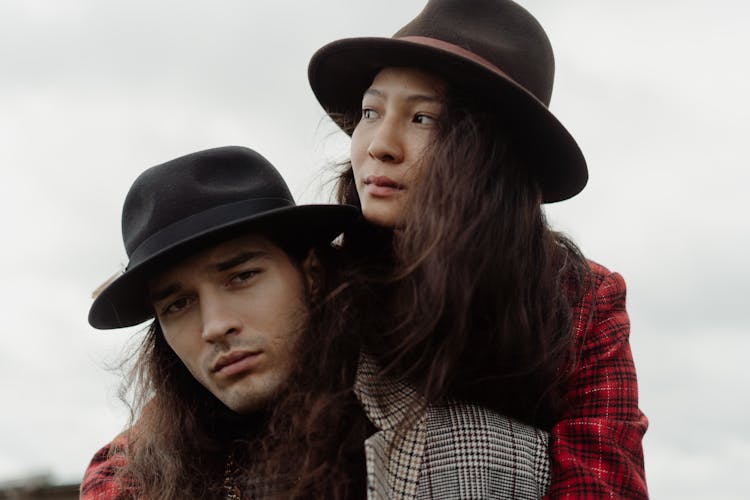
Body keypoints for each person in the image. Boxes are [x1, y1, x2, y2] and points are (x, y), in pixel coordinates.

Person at [308, 0, 649, 498]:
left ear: (493, 153)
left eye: (422, 118)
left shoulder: (581, 299)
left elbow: (603, 480)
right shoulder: (314, 278)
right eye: (369, 111)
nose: (380, 144)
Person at [81, 145, 552, 499]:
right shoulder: (145, 480)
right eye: (177, 305)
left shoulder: (477, 453)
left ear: (310, 274)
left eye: (242, 276)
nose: (215, 326)